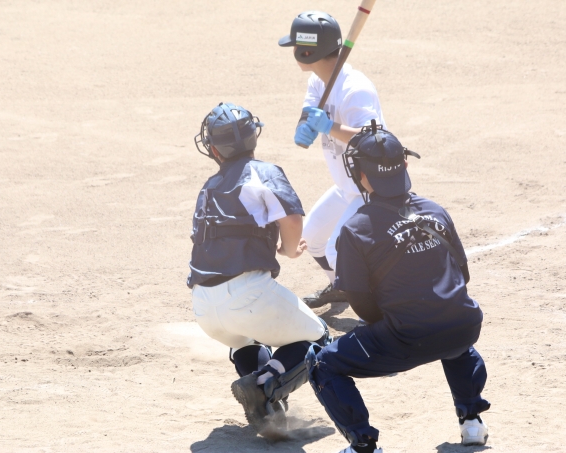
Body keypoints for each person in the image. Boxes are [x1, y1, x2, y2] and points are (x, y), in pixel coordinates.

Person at [305, 122, 491, 453]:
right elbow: (461, 276)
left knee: (322, 364)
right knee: (451, 325)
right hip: (464, 328)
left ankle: (363, 444)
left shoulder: (356, 229)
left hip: (406, 337)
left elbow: (361, 304)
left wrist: (394, 325)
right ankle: (472, 421)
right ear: (405, 164)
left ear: (361, 175)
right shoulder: (436, 211)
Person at [188, 102, 332, 437]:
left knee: (245, 338)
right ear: (254, 136)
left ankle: (266, 410)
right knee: (319, 338)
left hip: (204, 306)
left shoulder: (208, 187)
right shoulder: (263, 172)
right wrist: (288, 250)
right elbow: (292, 219)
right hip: (247, 294)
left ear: (213, 149)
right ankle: (265, 384)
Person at [278, 10, 386, 308]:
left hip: (369, 187)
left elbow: (376, 140)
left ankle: (376, 309)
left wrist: (329, 127)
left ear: (307, 52)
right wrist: (304, 126)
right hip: (346, 185)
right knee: (311, 239)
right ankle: (342, 288)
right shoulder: (318, 80)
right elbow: (309, 111)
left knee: (338, 251)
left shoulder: (355, 89)